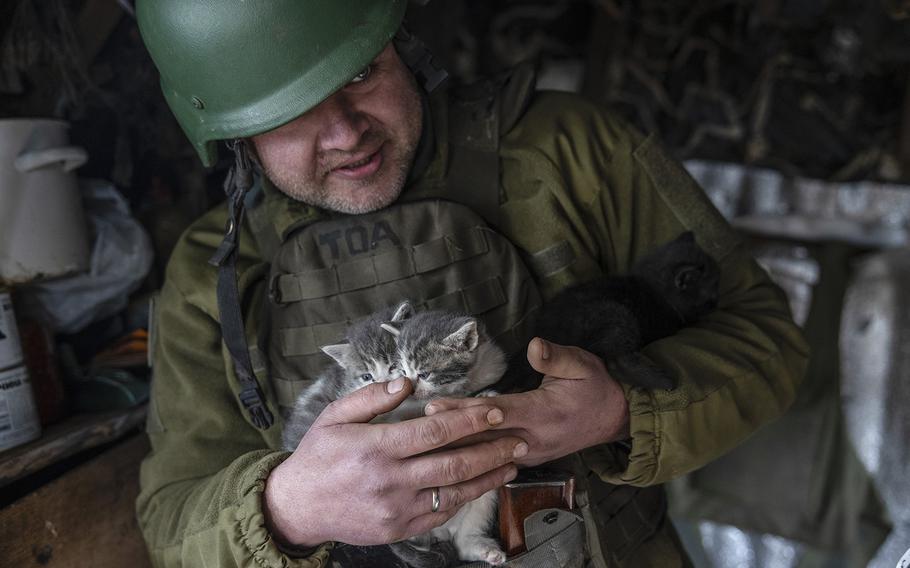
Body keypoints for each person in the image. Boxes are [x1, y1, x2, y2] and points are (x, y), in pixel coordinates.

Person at [134, 1, 809, 567]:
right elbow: (171, 519)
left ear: (401, 44)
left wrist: (618, 411)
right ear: (235, 138)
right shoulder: (209, 275)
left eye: (363, 72)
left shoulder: (567, 151)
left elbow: (769, 345)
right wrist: (287, 508)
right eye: (290, 112)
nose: (345, 132)